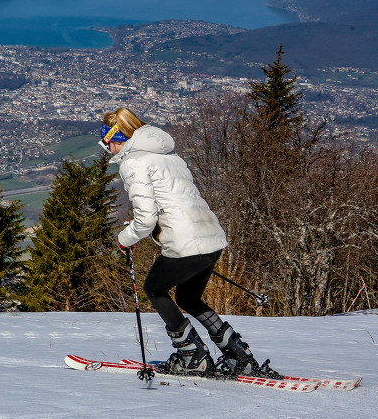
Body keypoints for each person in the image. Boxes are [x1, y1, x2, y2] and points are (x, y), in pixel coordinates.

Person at [100, 107, 277, 378]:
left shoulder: (133, 163)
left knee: (155, 289)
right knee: (188, 297)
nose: (107, 150)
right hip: (211, 238)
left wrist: (124, 240)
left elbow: (146, 219)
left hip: (185, 243)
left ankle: (193, 356)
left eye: (106, 143)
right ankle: (240, 356)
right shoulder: (171, 158)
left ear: (115, 139)